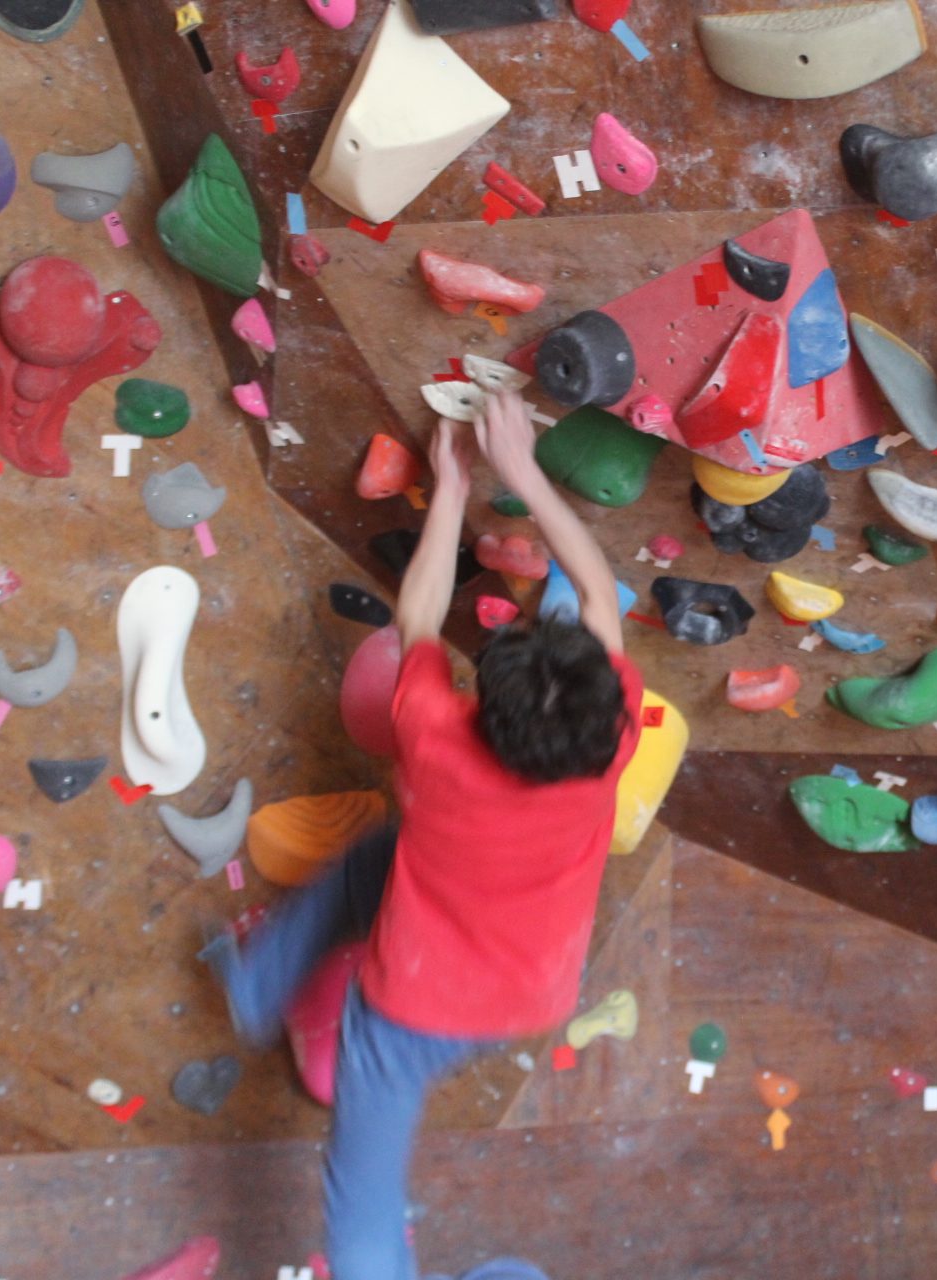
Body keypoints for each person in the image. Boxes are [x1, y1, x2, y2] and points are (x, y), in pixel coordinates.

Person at [202, 389, 643, 1280]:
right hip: (530, 986)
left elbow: (419, 614)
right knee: (373, 860)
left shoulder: (436, 731)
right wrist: (528, 476)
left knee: (359, 1193)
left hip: (410, 1007)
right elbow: (599, 591)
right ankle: (259, 982)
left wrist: (453, 484)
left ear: (480, 707)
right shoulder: (610, 738)